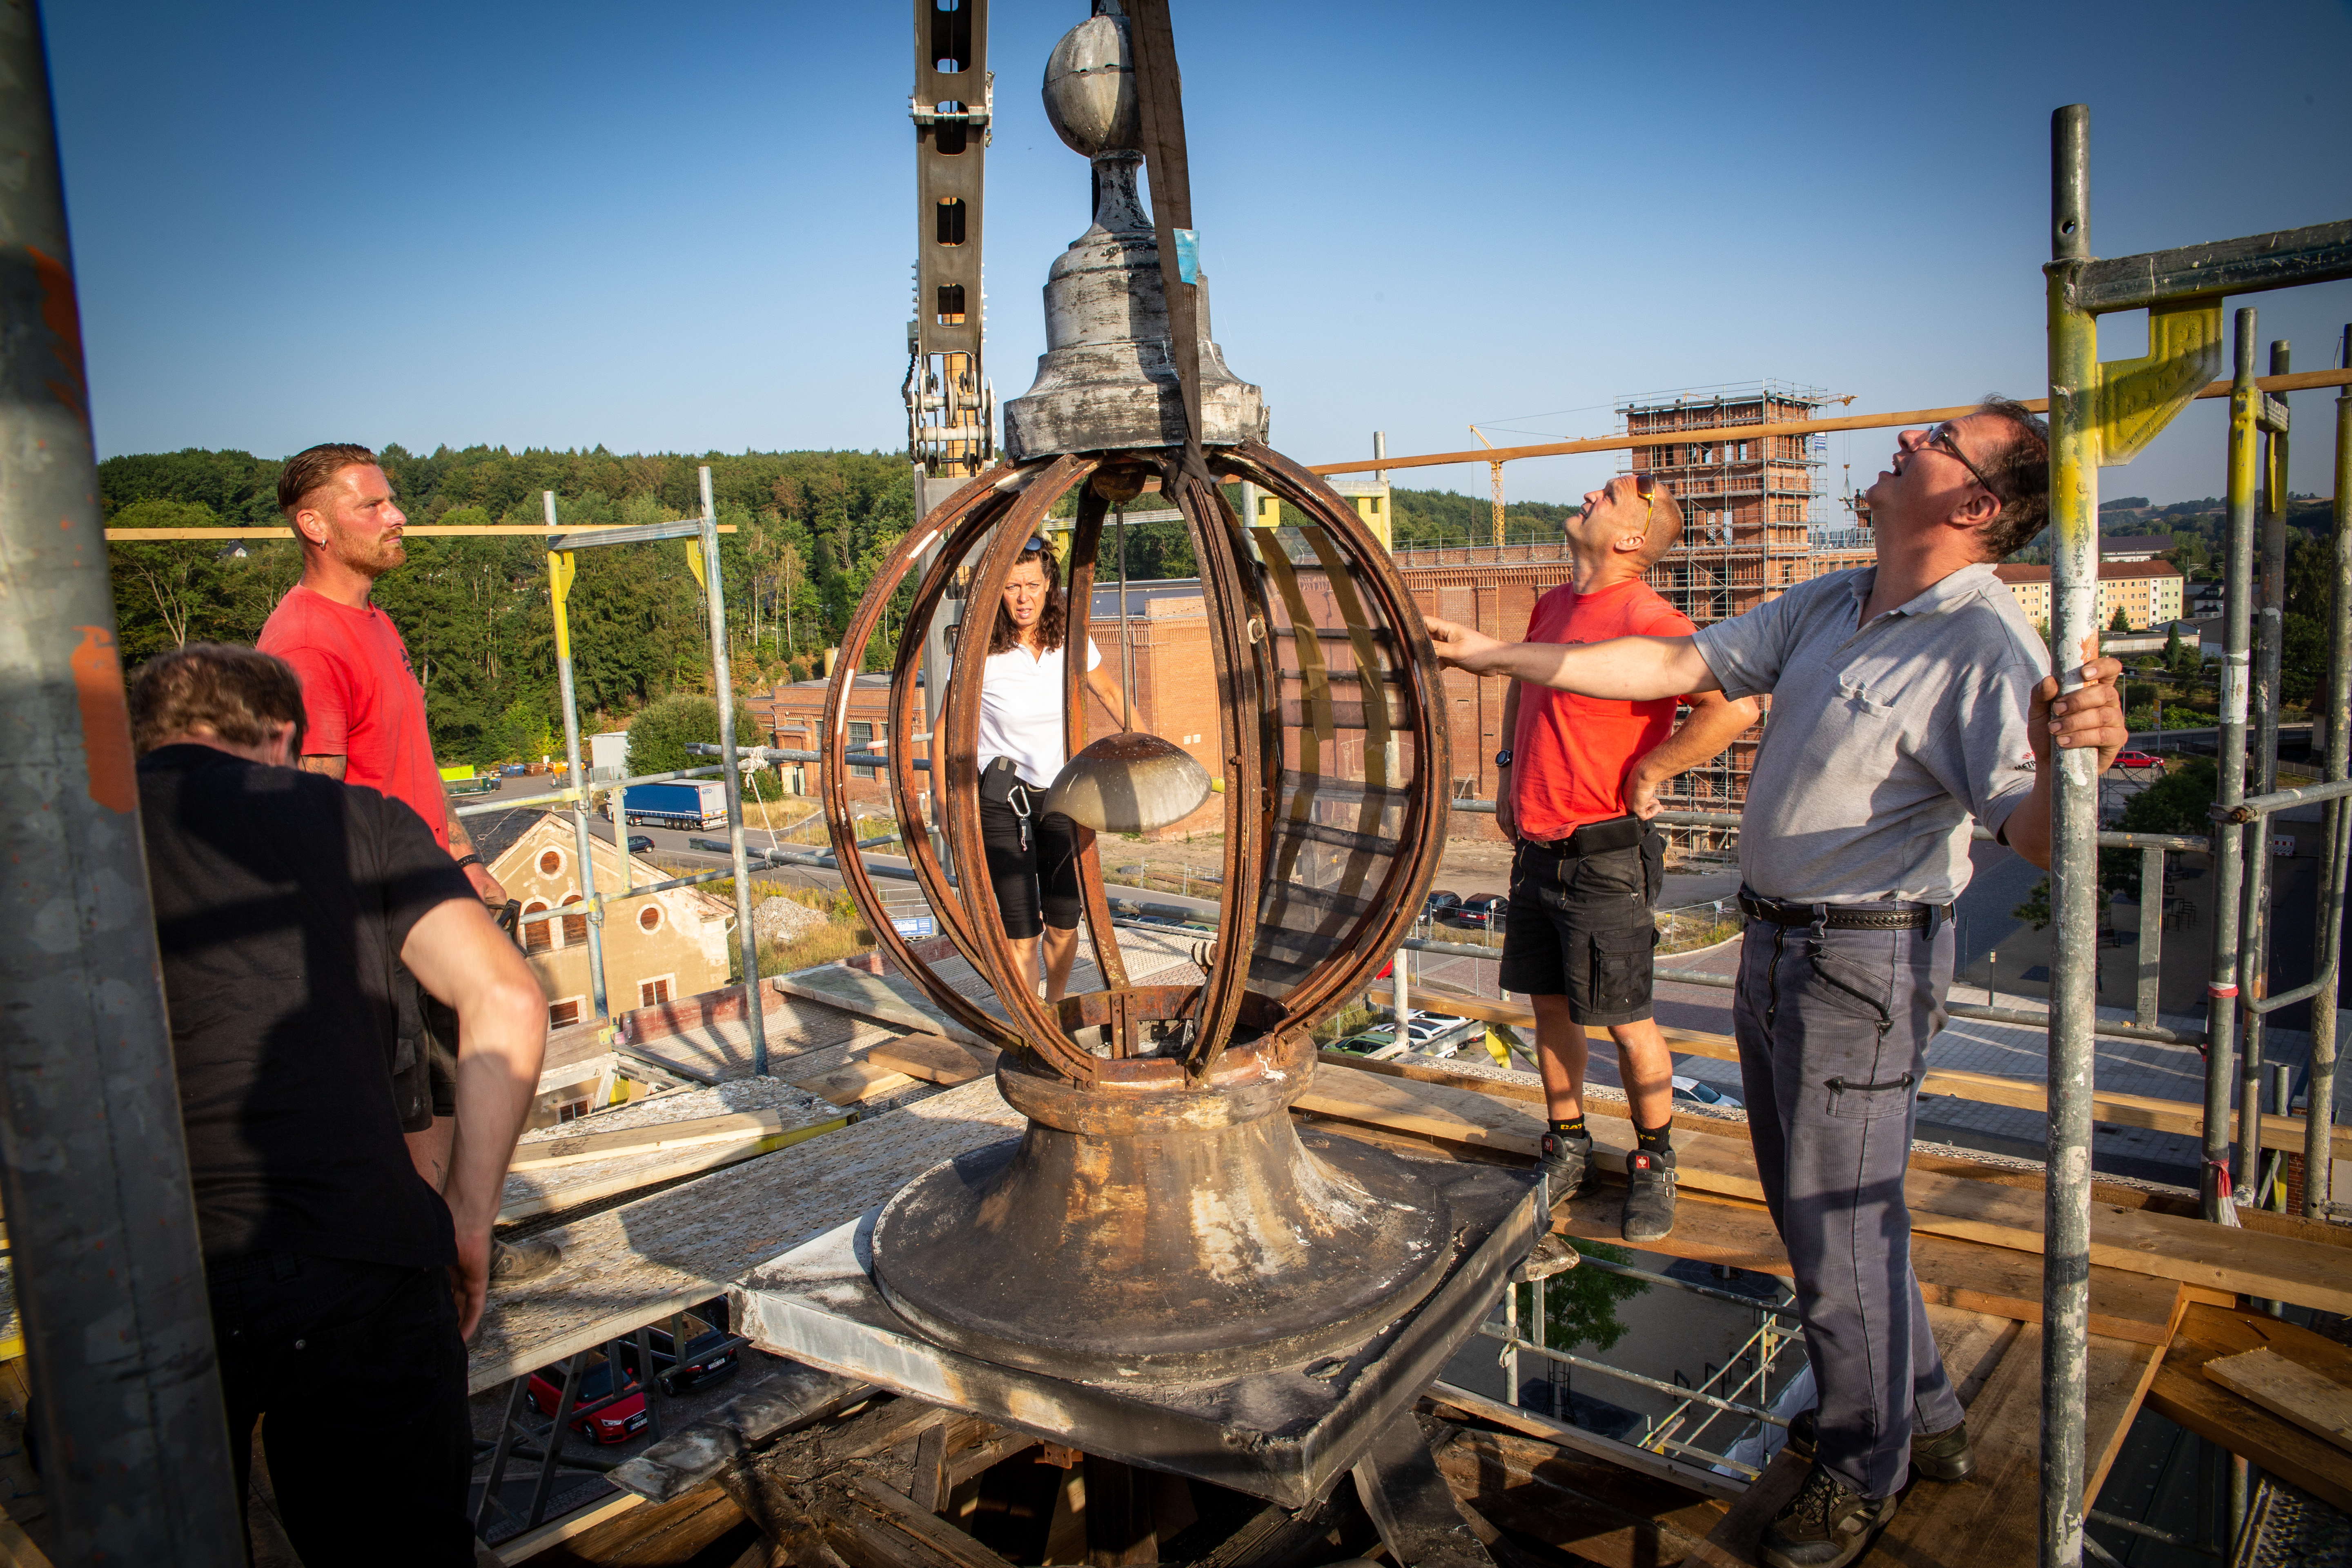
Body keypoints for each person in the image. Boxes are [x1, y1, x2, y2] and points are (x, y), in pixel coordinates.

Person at [1425, 401, 2128, 1568]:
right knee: (1842, 1224)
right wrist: (1494, 653)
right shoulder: (1835, 602)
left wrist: (2075, 757)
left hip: (1863, 960)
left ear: (1978, 507)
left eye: (1938, 441)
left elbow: (2041, 836)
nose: (1907, 442)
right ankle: (1928, 1421)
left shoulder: (1984, 646)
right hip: (1781, 946)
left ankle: (1861, 1472)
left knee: (1834, 1229)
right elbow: (1667, 662)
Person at [131, 644, 547, 1563]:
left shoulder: (68, 839)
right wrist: (468, 1219)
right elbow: (506, 1001)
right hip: (363, 1256)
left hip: (147, 1271)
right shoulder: (360, 819)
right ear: (282, 738)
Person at [257, 442, 557, 1284]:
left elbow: (410, 762)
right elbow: (307, 804)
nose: (397, 518)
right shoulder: (307, 645)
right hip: (373, 898)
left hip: (423, 874)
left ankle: (460, 1235)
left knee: (467, 1069)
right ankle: (435, 1261)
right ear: (313, 526)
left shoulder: (373, 621)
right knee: (416, 1100)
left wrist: (462, 854)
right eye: (372, 507)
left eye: (393, 501)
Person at [1492, 471, 1760, 1243]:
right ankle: (1568, 1141)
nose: (1587, 496)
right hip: (1540, 844)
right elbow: (1520, 676)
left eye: (1608, 496)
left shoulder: (1649, 616)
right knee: (1549, 1003)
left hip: (1605, 851)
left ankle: (1653, 1159)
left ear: (1633, 538)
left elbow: (1736, 705)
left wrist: (1655, 769)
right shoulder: (1552, 605)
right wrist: (1510, 770)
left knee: (1626, 1018)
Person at [928, 535, 1133, 1000]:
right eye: (1012, 586)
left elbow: (1114, 697)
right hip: (1004, 801)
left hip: (1065, 797)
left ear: (1050, 586)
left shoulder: (1073, 641)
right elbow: (944, 731)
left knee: (1063, 924)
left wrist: (1150, 753)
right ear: (996, 591)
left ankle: (1053, 1010)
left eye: (1033, 585)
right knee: (1022, 934)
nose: (1024, 598)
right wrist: (942, 803)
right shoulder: (980, 651)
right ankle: (1032, 1031)